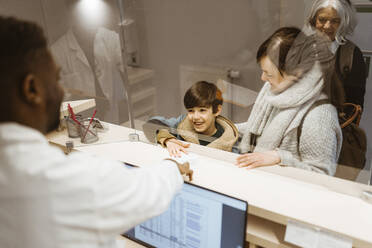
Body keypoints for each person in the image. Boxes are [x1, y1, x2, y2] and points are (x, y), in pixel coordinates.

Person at [0, 16, 192, 248]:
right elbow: (147, 190)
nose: (62, 90)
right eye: (57, 79)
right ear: (31, 89)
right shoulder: (64, 180)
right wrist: (173, 166)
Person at [236, 27, 342, 176]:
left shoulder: (319, 116)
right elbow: (259, 128)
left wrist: (281, 157)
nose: (263, 78)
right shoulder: (276, 92)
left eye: (269, 74)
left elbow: (321, 175)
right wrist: (226, 128)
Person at [144, 81, 239, 157]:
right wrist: (167, 139)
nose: (196, 117)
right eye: (191, 111)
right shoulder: (182, 122)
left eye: (202, 110)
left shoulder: (231, 142)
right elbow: (151, 124)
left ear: (217, 110)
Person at [306, 0, 367, 109]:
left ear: (344, 23)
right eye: (322, 20)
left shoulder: (352, 55)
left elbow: (354, 106)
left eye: (335, 21)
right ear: (314, 20)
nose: (327, 26)